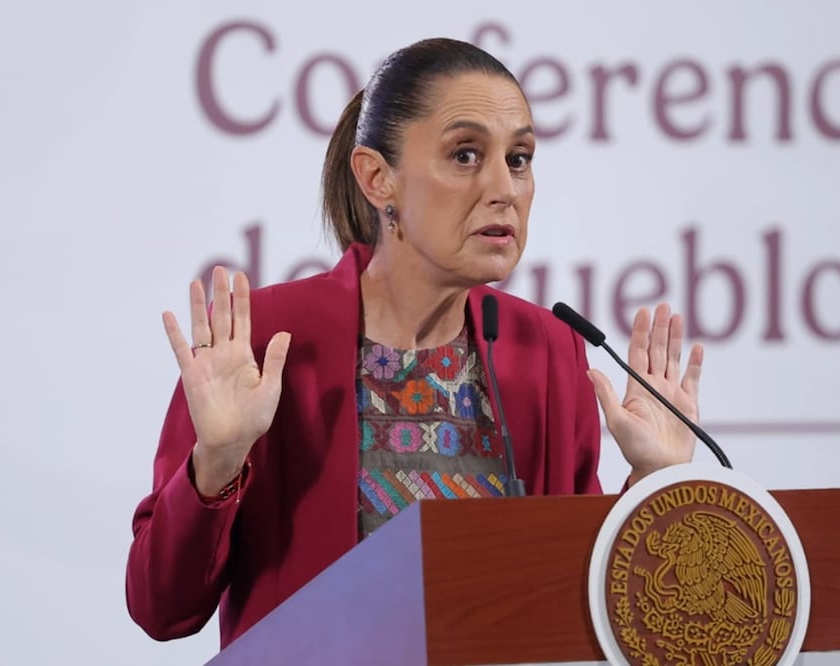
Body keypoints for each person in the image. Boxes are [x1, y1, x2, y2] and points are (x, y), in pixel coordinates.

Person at [125, 37, 704, 649]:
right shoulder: (268, 340)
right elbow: (161, 609)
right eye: (465, 155)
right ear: (378, 179)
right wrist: (216, 464)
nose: (504, 188)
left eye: (519, 158)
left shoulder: (547, 350)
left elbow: (578, 600)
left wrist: (654, 482)